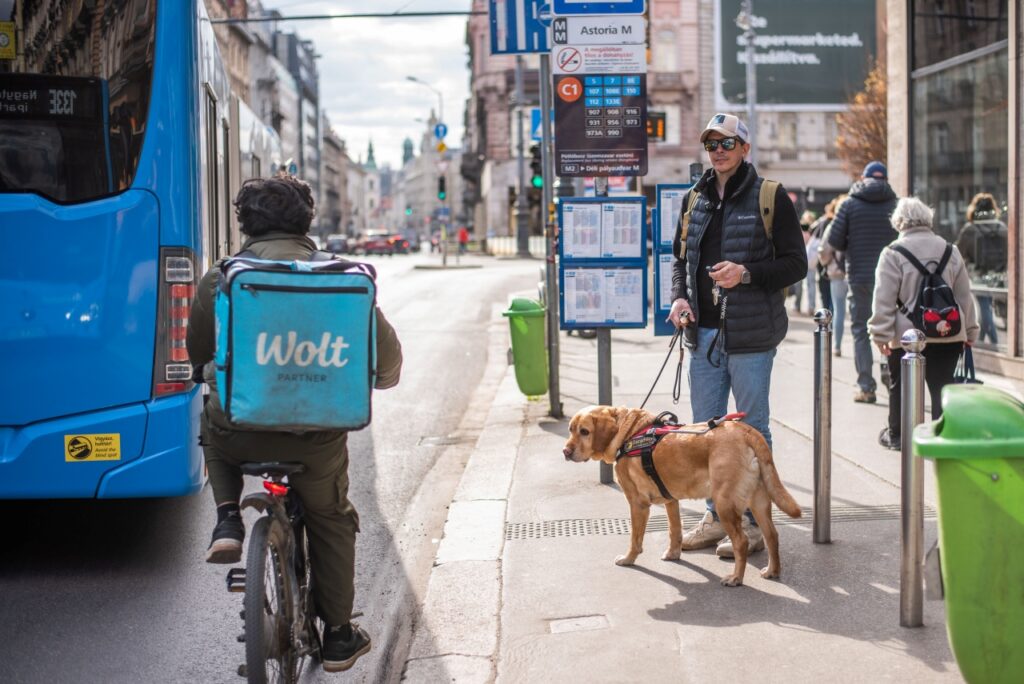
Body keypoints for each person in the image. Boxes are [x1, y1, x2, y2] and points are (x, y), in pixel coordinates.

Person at [186, 175, 403, 673]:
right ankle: (340, 637)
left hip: (239, 429)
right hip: (315, 438)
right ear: (308, 220)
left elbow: (199, 355)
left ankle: (227, 517)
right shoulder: (341, 277)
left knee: (212, 420)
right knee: (332, 518)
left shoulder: (221, 277)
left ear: (244, 223)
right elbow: (387, 368)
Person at [668, 113, 807, 557]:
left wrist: (745, 274)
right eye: (712, 144)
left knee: (750, 431)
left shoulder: (771, 197)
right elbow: (678, 260)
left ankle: (751, 523)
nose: (719, 151)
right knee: (706, 435)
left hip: (751, 337)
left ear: (745, 149)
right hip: (703, 335)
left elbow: (796, 265)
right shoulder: (695, 198)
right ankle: (718, 516)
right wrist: (679, 298)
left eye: (728, 143)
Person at [869, 197, 978, 450]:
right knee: (943, 388)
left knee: (901, 388)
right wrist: (969, 330)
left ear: (899, 222)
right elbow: (964, 296)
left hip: (907, 336)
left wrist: (880, 335)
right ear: (928, 219)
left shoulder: (893, 253)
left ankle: (898, 436)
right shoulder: (951, 251)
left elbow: (883, 299)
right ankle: (943, 435)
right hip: (949, 333)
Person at [826, 161, 898, 403]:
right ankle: (894, 380)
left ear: (864, 178)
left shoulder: (849, 204)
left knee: (860, 330)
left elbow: (835, 240)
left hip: (859, 277)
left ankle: (866, 386)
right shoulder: (896, 204)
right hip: (892, 280)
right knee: (890, 329)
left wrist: (852, 242)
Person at [955, 192, 1006, 345]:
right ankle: (983, 342)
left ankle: (992, 344)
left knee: (984, 310)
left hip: (978, 276)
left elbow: (958, 253)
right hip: (998, 275)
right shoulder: (1001, 227)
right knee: (986, 310)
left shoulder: (970, 229)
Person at [817, 195, 849, 356]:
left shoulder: (834, 226)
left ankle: (836, 346)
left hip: (837, 273)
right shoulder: (856, 223)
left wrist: (827, 263)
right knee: (862, 313)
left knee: (838, 310)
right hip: (855, 274)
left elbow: (823, 250)